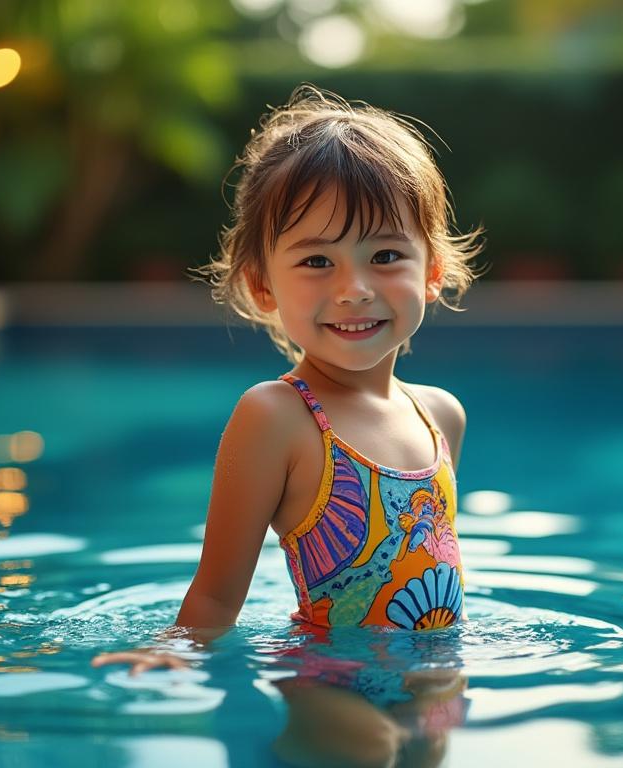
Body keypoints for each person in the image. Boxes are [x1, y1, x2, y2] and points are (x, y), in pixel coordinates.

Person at [92, 84, 483, 765]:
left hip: (434, 674)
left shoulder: (441, 414)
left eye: (386, 256)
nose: (354, 287)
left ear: (433, 271)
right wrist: (174, 653)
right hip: (327, 679)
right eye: (316, 261)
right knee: (369, 751)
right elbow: (216, 592)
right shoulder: (278, 417)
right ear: (263, 286)